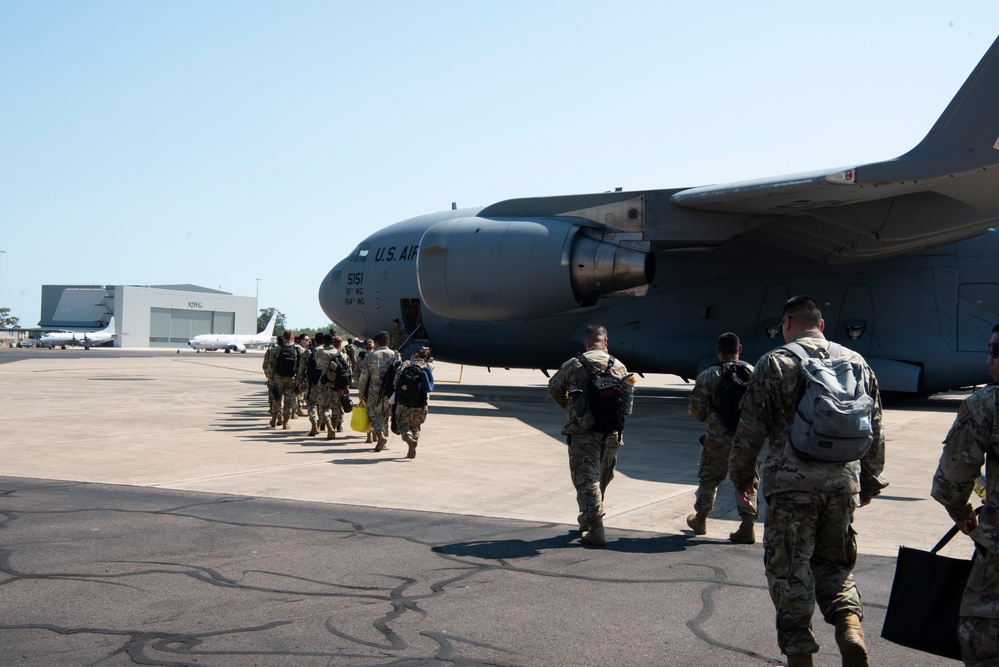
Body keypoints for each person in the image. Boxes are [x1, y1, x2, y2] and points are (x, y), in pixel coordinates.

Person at [727, 295, 888, 667]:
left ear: (787, 323)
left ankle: (800, 655)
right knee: (834, 565)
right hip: (842, 483)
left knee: (790, 571)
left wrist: (741, 477)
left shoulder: (775, 362)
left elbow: (750, 428)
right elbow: (874, 425)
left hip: (791, 486)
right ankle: (849, 628)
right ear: (822, 325)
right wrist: (870, 479)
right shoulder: (855, 361)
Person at [931, 322, 999, 666]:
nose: (990, 360)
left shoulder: (988, 404)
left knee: (982, 640)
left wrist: (962, 514)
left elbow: (952, 480)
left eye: (996, 351)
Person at [547, 324, 631, 547]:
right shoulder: (620, 367)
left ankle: (596, 530)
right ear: (606, 342)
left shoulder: (574, 364)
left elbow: (554, 387)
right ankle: (587, 518)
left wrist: (569, 406)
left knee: (587, 480)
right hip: (612, 432)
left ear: (585, 343)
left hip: (583, 432)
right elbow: (627, 405)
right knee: (601, 478)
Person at [687, 332, 758, 543]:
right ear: (740, 350)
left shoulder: (709, 375)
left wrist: (713, 420)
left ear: (718, 351)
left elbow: (696, 410)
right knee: (746, 481)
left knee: (709, 479)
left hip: (717, 439)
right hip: (745, 439)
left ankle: (700, 520)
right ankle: (747, 526)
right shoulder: (753, 372)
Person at [358, 331, 400, 451]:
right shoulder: (395, 355)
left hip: (374, 391)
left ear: (376, 342)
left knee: (375, 415)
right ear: (388, 342)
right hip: (389, 391)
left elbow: (364, 377)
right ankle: (384, 440)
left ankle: (380, 435)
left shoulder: (370, 356)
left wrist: (361, 391)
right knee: (386, 414)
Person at [393, 346, 435, 459]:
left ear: (416, 354)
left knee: (403, 424)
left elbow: (396, 381)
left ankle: (408, 438)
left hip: (404, 402)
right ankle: (413, 445)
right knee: (415, 426)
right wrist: (427, 353)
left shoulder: (407, 364)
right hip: (421, 402)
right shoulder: (428, 367)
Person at [266, 329, 300, 430]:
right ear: (293, 338)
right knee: (288, 400)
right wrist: (300, 378)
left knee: (276, 398)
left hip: (278, 378)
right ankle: (285, 423)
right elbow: (302, 364)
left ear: (283, 338)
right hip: (291, 378)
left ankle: (273, 419)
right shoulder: (298, 349)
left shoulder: (276, 349)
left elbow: (271, 364)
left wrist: (270, 378)